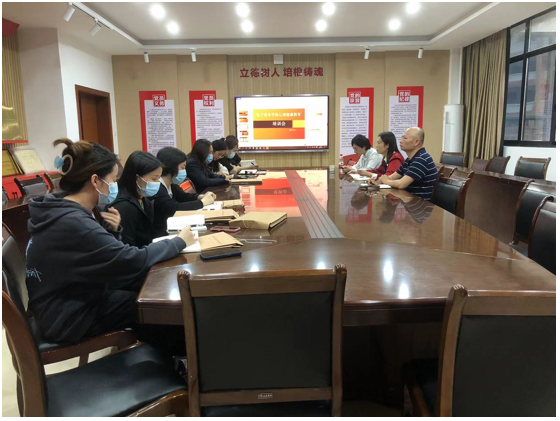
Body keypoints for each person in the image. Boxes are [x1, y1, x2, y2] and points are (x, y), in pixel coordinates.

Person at [25, 139, 196, 344]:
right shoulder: (74, 222)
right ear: (95, 181)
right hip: (69, 317)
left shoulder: (61, 210)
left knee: (147, 289)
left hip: (64, 303)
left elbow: (98, 256)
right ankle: (169, 357)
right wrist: (178, 242)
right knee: (156, 306)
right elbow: (130, 260)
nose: (115, 185)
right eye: (113, 179)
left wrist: (113, 232)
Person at [152, 147, 215, 238]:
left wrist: (200, 197)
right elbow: (174, 208)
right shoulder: (157, 187)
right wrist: (202, 203)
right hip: (162, 234)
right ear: (172, 166)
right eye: (182, 167)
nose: (184, 171)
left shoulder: (171, 184)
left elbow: (183, 196)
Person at [110, 151, 162, 248]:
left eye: (159, 178)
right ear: (137, 178)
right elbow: (127, 247)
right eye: (154, 179)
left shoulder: (144, 199)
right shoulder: (125, 206)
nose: (157, 183)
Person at [374, 127, 438, 200]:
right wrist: (377, 181)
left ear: (416, 142)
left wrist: (386, 181)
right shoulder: (409, 159)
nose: (400, 141)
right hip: (408, 200)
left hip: (420, 203)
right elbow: (391, 177)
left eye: (405, 138)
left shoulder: (422, 159)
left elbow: (401, 184)